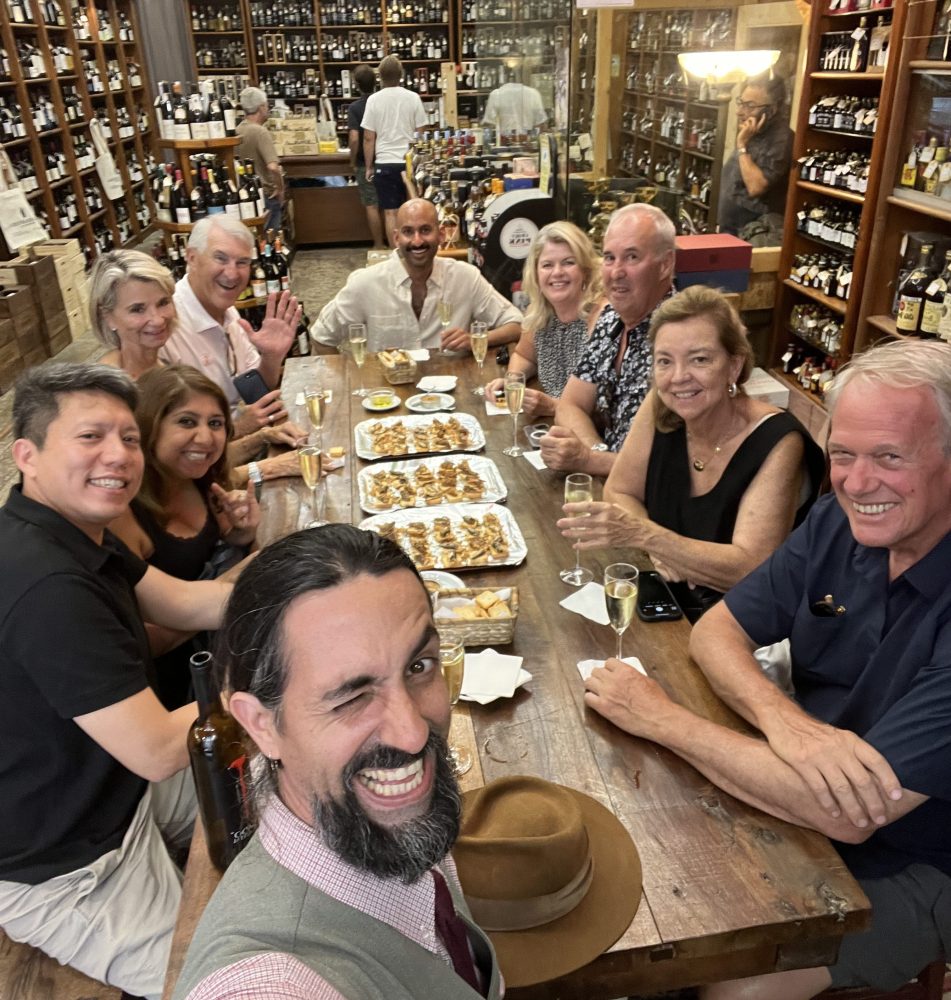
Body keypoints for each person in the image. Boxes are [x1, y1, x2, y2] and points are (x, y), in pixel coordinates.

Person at [582, 339, 951, 999]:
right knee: (620, 880)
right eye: (842, 454)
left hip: (917, 863)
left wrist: (663, 720)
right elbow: (719, 629)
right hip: (794, 787)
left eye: (889, 457)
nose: (856, 482)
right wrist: (785, 722)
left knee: (725, 984)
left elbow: (847, 815)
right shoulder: (845, 521)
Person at [172, 524, 503, 1000]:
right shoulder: (270, 983)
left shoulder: (377, 811)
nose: (412, 733)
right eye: (352, 696)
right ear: (261, 725)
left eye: (418, 666)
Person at [0, 362, 231, 999]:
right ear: (29, 455)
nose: (119, 455)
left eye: (129, 438)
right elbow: (158, 749)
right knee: (222, 983)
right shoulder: (46, 584)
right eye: (90, 437)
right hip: (68, 861)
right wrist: (279, 683)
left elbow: (185, 604)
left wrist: (307, 588)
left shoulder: (74, 530)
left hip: (119, 789)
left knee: (290, 782)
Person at [558, 286, 824, 622]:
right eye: (664, 361)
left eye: (699, 359)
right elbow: (619, 490)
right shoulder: (661, 404)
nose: (678, 377)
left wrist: (649, 537)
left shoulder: (779, 442)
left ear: (733, 365)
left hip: (737, 626)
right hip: (665, 603)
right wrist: (665, 549)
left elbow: (750, 567)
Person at [109, 365, 259, 708]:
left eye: (215, 423)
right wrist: (223, 589)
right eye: (187, 422)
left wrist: (243, 535)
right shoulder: (123, 515)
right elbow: (144, 643)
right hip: (182, 691)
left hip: (227, 646)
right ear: (148, 427)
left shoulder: (203, 479)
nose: (206, 438)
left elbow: (235, 559)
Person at [540, 202, 675, 477]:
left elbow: (677, 469)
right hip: (612, 486)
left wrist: (590, 460)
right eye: (610, 258)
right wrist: (596, 453)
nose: (616, 272)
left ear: (665, 265)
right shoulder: (611, 318)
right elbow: (569, 405)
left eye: (632, 257)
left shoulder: (682, 336)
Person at [311, 198, 522, 353]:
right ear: (396, 238)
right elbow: (321, 337)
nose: (418, 241)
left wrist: (476, 339)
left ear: (441, 235)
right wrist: (350, 383)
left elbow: (517, 324)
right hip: (388, 399)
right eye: (408, 232)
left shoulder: (465, 277)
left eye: (425, 230)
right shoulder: (365, 283)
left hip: (453, 397)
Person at [160, 215, 302, 439]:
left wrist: (272, 358)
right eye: (221, 258)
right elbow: (174, 443)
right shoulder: (165, 326)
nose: (232, 273)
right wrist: (239, 428)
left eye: (242, 262)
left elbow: (252, 390)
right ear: (191, 258)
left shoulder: (228, 312)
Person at [484, 220, 605, 419]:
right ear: (536, 273)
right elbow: (524, 356)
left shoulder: (601, 318)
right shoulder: (540, 312)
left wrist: (553, 407)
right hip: (551, 429)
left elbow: (608, 409)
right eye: (547, 265)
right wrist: (513, 380)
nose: (557, 272)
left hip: (591, 436)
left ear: (585, 270)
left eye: (568, 262)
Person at [362, 55, 428, 245]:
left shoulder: (374, 100)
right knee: (413, 209)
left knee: (390, 211)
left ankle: (395, 253)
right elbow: (421, 132)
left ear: (380, 77)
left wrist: (369, 166)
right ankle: (415, 247)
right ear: (401, 75)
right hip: (409, 163)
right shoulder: (413, 98)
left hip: (385, 161)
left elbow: (368, 138)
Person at [717, 77, 793, 239]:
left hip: (754, 234)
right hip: (730, 229)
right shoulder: (752, 133)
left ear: (771, 110)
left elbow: (756, 186)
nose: (739, 112)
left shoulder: (782, 139)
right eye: (741, 103)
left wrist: (742, 145)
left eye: (750, 106)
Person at [89, 249, 177, 381]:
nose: (157, 320)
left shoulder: (165, 370)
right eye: (137, 309)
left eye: (163, 303)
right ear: (107, 317)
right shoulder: (105, 391)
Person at [235, 86, 284, 234]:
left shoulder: (237, 130)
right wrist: (280, 188)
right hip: (266, 193)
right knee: (270, 237)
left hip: (245, 194)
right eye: (267, 105)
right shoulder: (260, 132)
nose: (268, 109)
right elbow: (273, 167)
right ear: (261, 107)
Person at [348, 63, 386, 250]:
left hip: (366, 162)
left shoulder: (355, 107)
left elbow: (355, 139)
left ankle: (378, 245)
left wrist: (352, 160)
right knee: (389, 205)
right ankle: (393, 245)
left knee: (371, 205)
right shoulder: (381, 103)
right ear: (375, 82)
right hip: (386, 158)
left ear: (356, 84)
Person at [482, 66, 546, 139]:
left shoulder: (496, 94)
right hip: (528, 143)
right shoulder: (533, 93)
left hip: (504, 142)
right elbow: (541, 124)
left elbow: (489, 125)